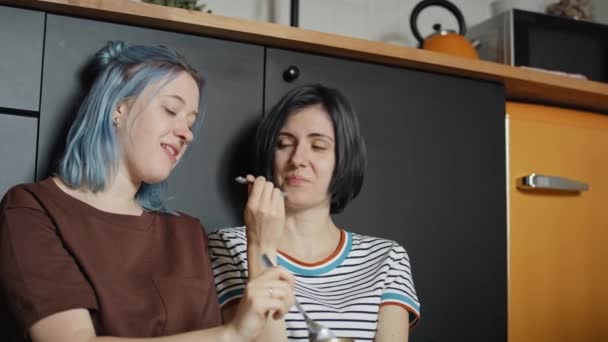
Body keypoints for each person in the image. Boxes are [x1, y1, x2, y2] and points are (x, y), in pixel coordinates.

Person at [0, 41, 294, 342]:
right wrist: (230, 335)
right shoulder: (30, 209)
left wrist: (262, 245)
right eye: (171, 110)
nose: (187, 134)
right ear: (119, 108)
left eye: (191, 123)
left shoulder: (187, 232)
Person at [209, 84, 421, 341]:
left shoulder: (388, 259)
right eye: (284, 144)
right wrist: (261, 246)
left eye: (318, 146)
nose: (297, 159)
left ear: (344, 159)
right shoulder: (227, 246)